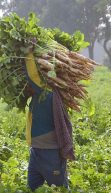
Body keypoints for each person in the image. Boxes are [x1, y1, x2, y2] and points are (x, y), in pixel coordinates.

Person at [25, 52, 75, 191]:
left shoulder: (46, 92)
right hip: (36, 151)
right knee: (32, 187)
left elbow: (30, 75)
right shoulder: (47, 90)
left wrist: (28, 52)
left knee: (60, 189)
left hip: (50, 153)